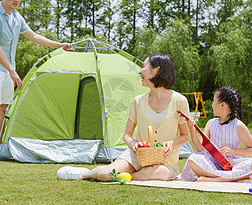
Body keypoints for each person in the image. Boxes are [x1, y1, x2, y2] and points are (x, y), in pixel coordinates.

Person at [0, 0, 73, 162]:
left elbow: (34, 36)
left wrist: (59, 45)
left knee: (3, 107)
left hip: (7, 67)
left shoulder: (17, 18)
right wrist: (12, 71)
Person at [57, 53, 190, 181]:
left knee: (161, 173)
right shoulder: (138, 101)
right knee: (106, 174)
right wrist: (134, 144)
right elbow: (127, 134)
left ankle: (126, 174)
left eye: (144, 66)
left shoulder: (179, 101)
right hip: (137, 156)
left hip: (165, 162)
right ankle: (86, 173)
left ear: (156, 70)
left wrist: (172, 144)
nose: (140, 71)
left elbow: (185, 136)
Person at [180, 87, 252, 182]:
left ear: (222, 105)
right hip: (211, 163)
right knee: (193, 158)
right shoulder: (211, 123)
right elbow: (199, 148)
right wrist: (192, 130)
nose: (212, 105)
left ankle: (214, 179)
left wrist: (233, 151)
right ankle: (226, 178)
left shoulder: (238, 125)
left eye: (214, 102)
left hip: (231, 164)